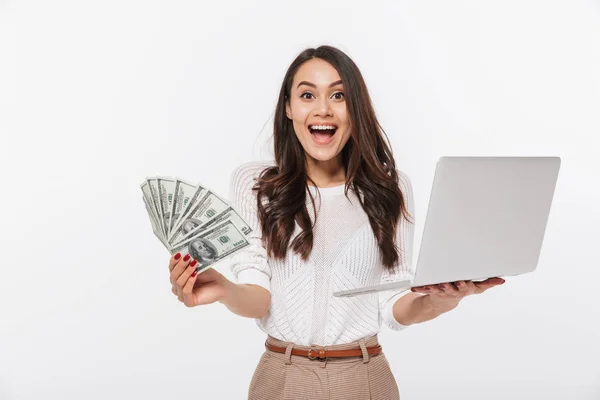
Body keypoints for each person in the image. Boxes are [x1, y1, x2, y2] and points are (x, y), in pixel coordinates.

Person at [167, 45, 505, 399]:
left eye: (339, 95)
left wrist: (444, 299)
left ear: (355, 108)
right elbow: (259, 296)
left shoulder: (390, 189)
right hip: (281, 377)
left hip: (364, 378)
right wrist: (223, 289)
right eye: (307, 95)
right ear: (288, 108)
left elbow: (394, 304)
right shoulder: (257, 186)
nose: (323, 109)